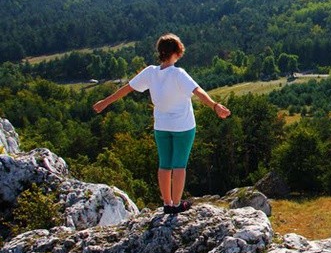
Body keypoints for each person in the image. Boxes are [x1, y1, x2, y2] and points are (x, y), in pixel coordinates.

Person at [93, 33, 230, 214]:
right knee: (179, 165)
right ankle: (177, 204)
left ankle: (167, 203)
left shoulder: (150, 72)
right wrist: (215, 106)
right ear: (177, 52)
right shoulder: (178, 73)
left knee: (164, 164)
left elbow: (127, 88)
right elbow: (198, 91)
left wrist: (105, 102)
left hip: (161, 126)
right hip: (183, 126)